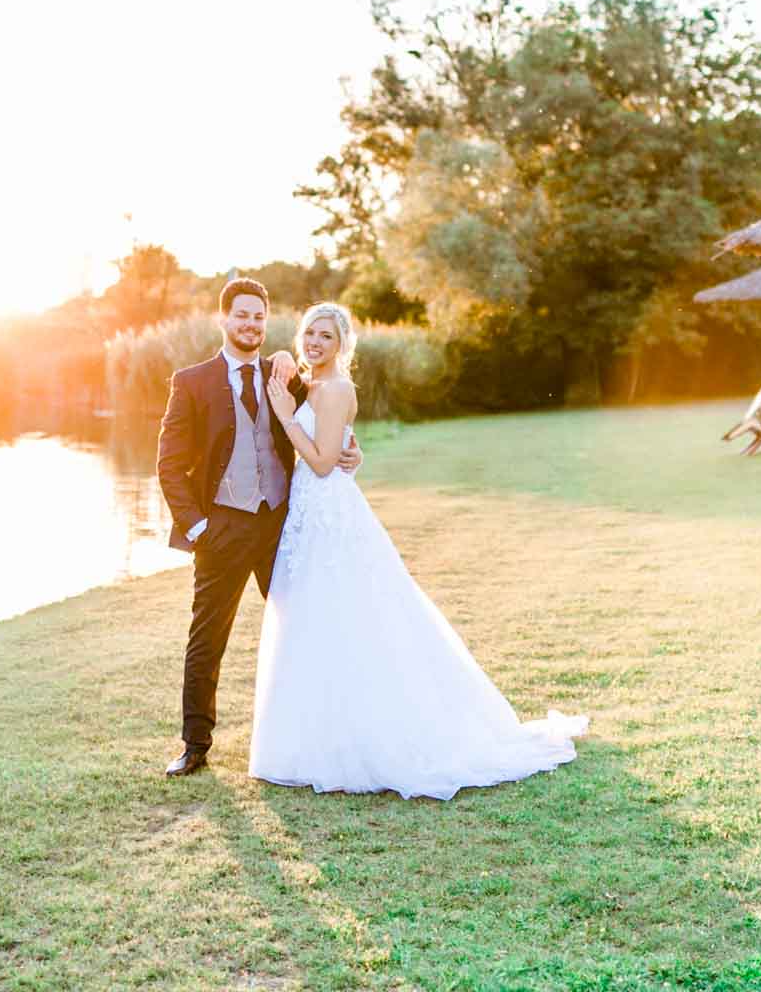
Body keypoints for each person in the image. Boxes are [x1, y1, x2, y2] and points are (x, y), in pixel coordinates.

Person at [251, 302, 586, 799]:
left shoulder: (337, 388)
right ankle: (312, 733)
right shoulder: (312, 384)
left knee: (351, 614)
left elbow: (322, 463)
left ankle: (363, 737)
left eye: (325, 335)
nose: (314, 342)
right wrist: (343, 441)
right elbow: (341, 445)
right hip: (312, 515)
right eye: (308, 334)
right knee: (315, 616)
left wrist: (285, 418)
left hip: (329, 514)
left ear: (342, 343)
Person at [154, 278, 360, 778]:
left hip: (280, 526)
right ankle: (195, 745)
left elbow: (326, 424)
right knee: (206, 639)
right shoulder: (192, 381)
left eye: (258, 317)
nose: (250, 324)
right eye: (241, 315)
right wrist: (198, 526)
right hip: (221, 528)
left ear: (267, 323)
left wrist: (353, 450)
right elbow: (169, 463)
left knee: (302, 629)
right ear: (223, 320)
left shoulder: (285, 374)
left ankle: (318, 733)